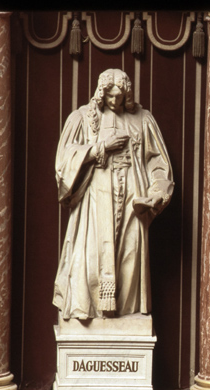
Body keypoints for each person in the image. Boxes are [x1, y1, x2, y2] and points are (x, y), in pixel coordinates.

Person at [53, 68, 174, 320]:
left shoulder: (143, 119)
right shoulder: (82, 118)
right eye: (109, 97)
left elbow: (158, 163)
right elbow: (63, 162)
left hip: (133, 199)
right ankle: (85, 309)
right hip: (95, 199)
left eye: (119, 98)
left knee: (129, 258)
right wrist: (100, 148)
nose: (114, 102)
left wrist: (156, 192)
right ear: (101, 93)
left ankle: (125, 316)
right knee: (88, 261)